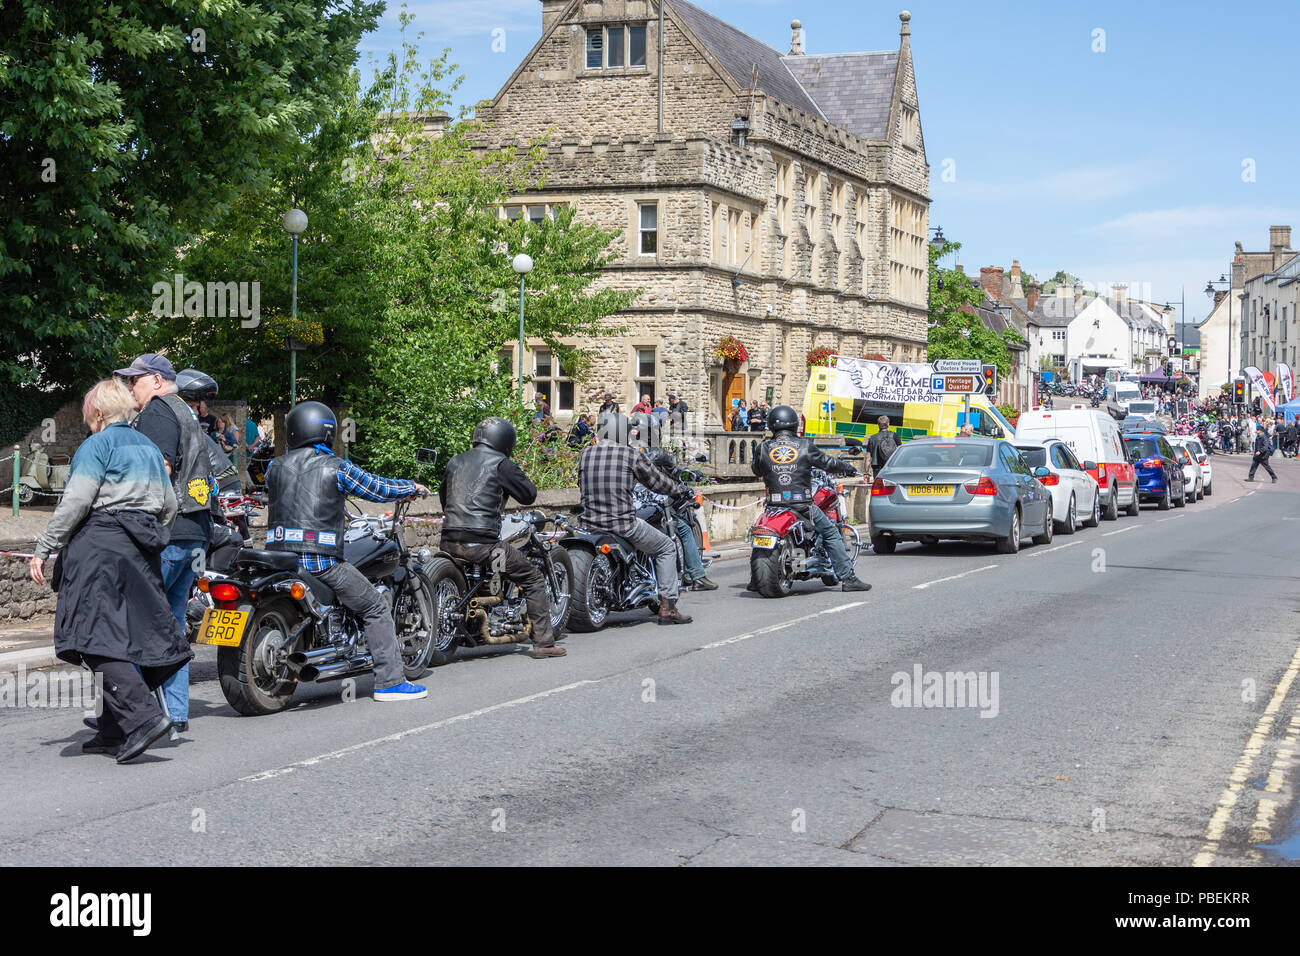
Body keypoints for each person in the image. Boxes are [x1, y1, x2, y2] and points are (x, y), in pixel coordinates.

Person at [30, 379, 190, 762]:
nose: (87, 422)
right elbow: (169, 505)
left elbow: (76, 502)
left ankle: (143, 719)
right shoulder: (149, 448)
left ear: (98, 414)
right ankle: (111, 729)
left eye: (87, 415)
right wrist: (149, 537)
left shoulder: (96, 446)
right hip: (140, 548)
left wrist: (44, 548)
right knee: (123, 635)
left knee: (92, 637)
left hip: (99, 548)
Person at [265, 401, 430, 699]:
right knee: (375, 606)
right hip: (319, 562)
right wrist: (411, 487)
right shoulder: (336, 467)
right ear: (327, 432)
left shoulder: (273, 467)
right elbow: (377, 488)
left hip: (280, 560)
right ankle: (391, 682)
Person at [116, 353, 213, 735]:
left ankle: (138, 717)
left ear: (155, 380)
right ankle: (175, 712)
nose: (130, 388)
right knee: (171, 626)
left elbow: (158, 469)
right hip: (195, 532)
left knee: (136, 623)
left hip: (168, 534)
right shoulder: (187, 411)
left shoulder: (157, 410)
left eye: (134, 380)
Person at [440, 417, 566, 658]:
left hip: (448, 539)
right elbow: (529, 495)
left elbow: (444, 496)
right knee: (533, 578)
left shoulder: (456, 461)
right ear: (506, 440)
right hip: (484, 544)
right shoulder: (501, 464)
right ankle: (544, 643)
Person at [577, 424, 695, 624]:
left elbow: (581, 483)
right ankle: (668, 608)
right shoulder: (630, 454)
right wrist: (679, 488)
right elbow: (657, 483)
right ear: (622, 433)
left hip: (588, 523)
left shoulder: (586, 454)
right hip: (622, 524)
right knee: (666, 547)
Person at [751, 405, 871, 592]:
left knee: (763, 529)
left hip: (774, 504)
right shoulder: (804, 445)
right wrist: (847, 467)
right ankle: (848, 577)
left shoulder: (763, 448)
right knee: (831, 533)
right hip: (801, 506)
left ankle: (754, 580)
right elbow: (827, 463)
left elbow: (756, 470)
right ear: (794, 424)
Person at [639, 448, 716, 591]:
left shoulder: (623, 453)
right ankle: (697, 576)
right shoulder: (656, 453)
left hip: (627, 508)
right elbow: (672, 473)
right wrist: (680, 488)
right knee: (684, 529)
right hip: (652, 504)